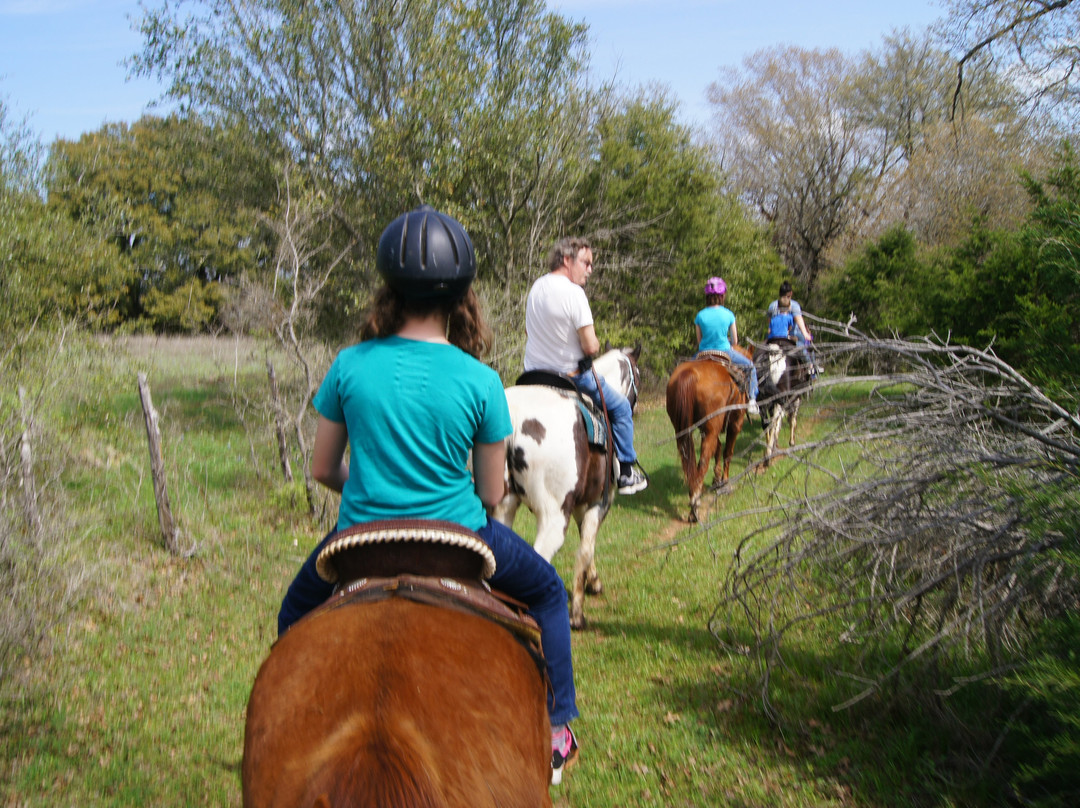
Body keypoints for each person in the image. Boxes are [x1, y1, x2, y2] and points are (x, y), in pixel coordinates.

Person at [276, 205, 580, 782]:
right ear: (461, 295)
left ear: (388, 289)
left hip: (359, 538)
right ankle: (558, 725)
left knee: (294, 613)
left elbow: (322, 468)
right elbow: (493, 494)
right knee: (547, 593)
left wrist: (368, 487)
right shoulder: (481, 380)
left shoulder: (348, 365)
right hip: (459, 535)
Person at [523, 237, 648, 495]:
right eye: (586, 263)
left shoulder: (536, 287)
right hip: (571, 377)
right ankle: (625, 473)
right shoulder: (574, 293)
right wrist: (593, 343)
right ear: (566, 260)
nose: (590, 270)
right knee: (622, 408)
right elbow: (591, 347)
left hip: (531, 377)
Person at [694, 276, 760, 416]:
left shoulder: (700, 315)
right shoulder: (729, 314)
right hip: (724, 351)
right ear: (722, 296)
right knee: (750, 367)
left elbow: (699, 342)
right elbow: (735, 341)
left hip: (703, 353)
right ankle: (753, 401)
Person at [766, 280, 820, 374]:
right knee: (802, 346)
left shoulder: (772, 305)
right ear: (790, 293)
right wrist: (806, 334)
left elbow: (769, 324)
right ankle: (810, 367)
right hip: (789, 335)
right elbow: (799, 321)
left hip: (773, 336)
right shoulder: (793, 305)